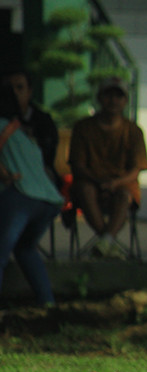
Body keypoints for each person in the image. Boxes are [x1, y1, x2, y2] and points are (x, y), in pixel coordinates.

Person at [68, 76, 147, 259]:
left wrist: (115, 183)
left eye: (118, 96)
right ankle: (108, 243)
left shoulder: (133, 131)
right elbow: (77, 165)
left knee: (124, 195)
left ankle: (105, 242)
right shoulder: (83, 127)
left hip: (122, 184)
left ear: (125, 101)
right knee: (84, 190)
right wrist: (98, 182)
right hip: (90, 182)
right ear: (99, 98)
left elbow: (136, 169)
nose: (113, 101)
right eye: (108, 95)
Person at [0, 83, 62, 306]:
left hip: (21, 196)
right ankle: (48, 305)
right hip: (48, 201)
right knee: (25, 248)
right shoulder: (20, 132)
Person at [1, 67, 58, 188]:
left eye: (20, 87)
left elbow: (48, 154)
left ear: (29, 91)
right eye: (9, 88)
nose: (14, 92)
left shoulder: (43, 120)